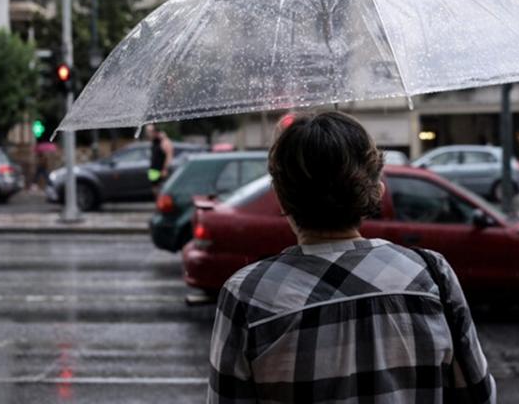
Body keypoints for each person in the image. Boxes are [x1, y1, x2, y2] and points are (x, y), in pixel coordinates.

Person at [208, 111, 495, 403]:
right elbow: (479, 395)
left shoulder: (248, 295)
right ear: (377, 192)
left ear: (281, 197)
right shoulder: (432, 275)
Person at [147, 125, 173, 196]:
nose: (148, 133)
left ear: (155, 132)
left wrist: (165, 169)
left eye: (150, 131)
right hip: (153, 170)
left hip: (161, 170)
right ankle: (158, 201)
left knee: (162, 189)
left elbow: (169, 156)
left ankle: (161, 202)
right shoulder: (153, 141)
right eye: (148, 131)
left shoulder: (164, 141)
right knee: (154, 187)